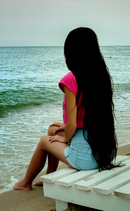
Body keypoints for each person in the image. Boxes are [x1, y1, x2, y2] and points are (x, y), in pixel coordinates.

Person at [13, 27, 117, 191]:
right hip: (105, 154)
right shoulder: (101, 76)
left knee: (44, 141)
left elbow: (72, 124)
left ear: (71, 51)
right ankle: (49, 175)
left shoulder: (72, 78)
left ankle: (25, 183)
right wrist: (64, 130)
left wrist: (65, 137)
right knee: (52, 130)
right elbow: (87, 115)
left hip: (86, 158)